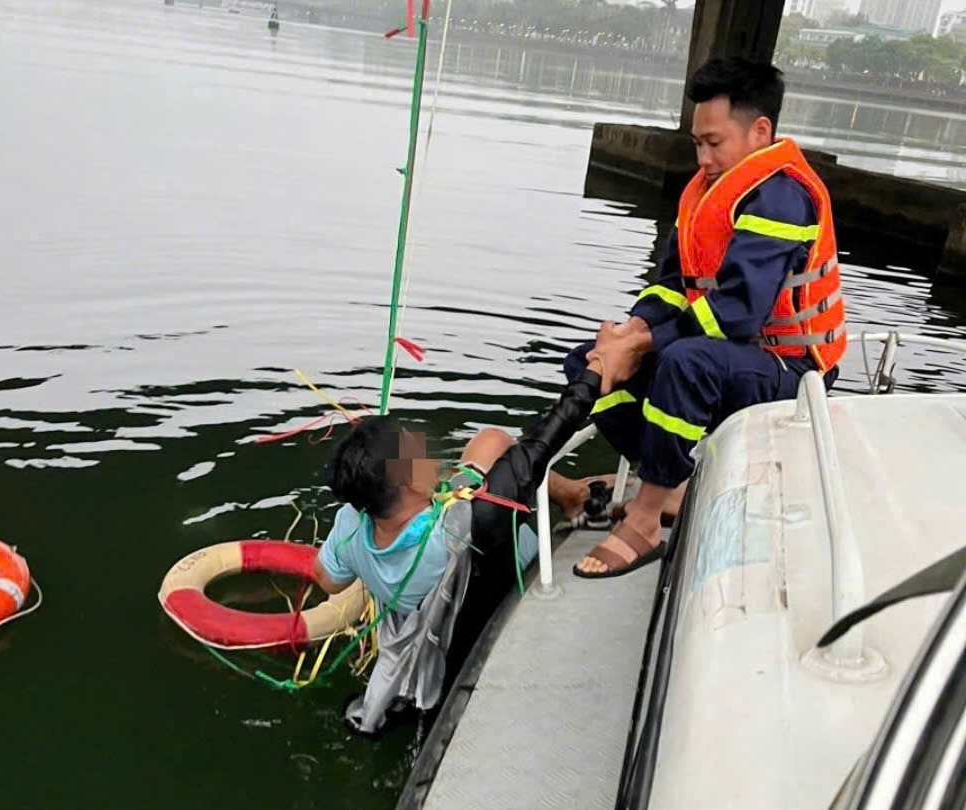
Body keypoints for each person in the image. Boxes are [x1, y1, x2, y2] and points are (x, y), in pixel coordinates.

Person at [562, 56, 846, 579]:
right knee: (589, 360)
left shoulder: (781, 196)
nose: (703, 156)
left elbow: (736, 314)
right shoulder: (705, 194)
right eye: (698, 143)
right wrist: (629, 333)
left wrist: (644, 348)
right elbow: (673, 286)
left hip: (791, 368)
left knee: (687, 363)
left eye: (714, 143)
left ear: (760, 131)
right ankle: (670, 482)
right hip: (733, 355)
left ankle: (646, 519)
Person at [311, 354, 633, 733]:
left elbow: (327, 580)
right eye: (415, 447)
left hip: (425, 626)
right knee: (499, 445)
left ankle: (572, 495)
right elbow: (542, 440)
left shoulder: (351, 524)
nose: (424, 444)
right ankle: (574, 498)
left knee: (488, 446)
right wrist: (597, 370)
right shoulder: (462, 526)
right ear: (411, 482)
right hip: (500, 588)